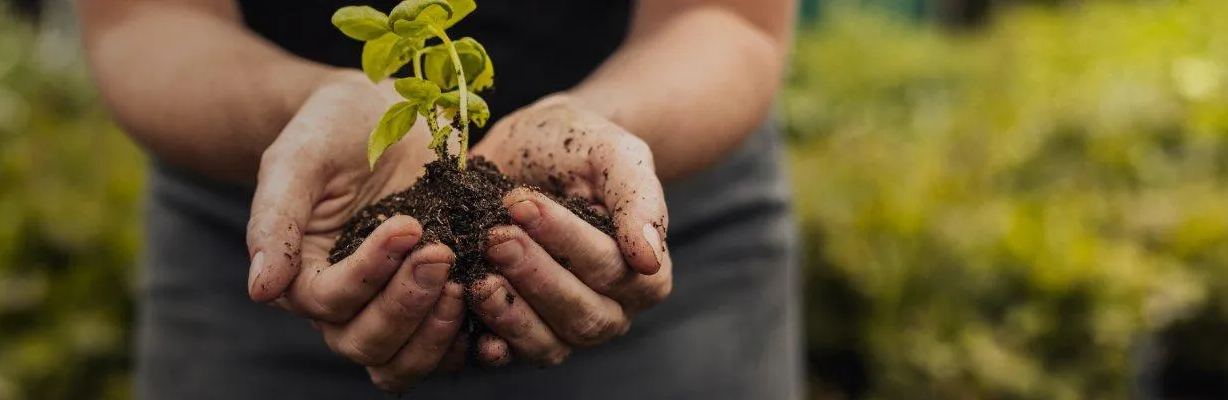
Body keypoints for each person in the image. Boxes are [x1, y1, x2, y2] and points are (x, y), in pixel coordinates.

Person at [79, 0, 798, 398]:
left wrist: (609, 122)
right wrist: (303, 106)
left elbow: (727, 17)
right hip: (276, 227)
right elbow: (143, 19)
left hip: (653, 195)